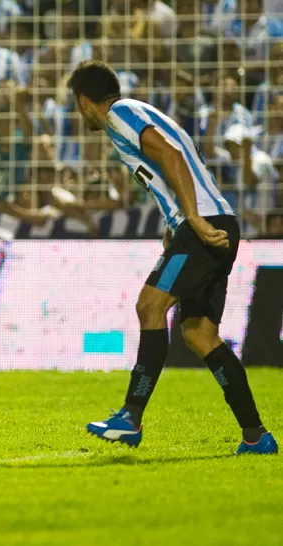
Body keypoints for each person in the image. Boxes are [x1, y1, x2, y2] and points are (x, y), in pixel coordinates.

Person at [67, 60, 277, 455]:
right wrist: (174, 224)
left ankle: (130, 417)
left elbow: (171, 155)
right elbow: (176, 164)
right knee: (199, 334)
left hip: (203, 225)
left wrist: (191, 219)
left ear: (84, 99)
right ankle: (256, 436)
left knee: (150, 306)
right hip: (215, 222)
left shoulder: (118, 113)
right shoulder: (139, 112)